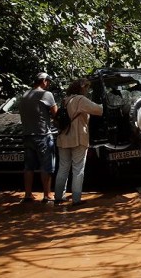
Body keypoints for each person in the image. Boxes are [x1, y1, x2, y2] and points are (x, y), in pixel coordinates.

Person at [55, 78, 103, 206]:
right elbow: (98, 109)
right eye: (86, 87)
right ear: (81, 88)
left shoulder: (65, 100)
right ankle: (76, 199)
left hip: (63, 138)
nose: (87, 90)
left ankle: (58, 197)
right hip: (78, 138)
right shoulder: (80, 100)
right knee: (78, 169)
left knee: (63, 168)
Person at [20, 72, 58, 203]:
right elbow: (56, 114)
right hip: (43, 136)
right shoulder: (46, 94)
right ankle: (47, 195)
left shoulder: (25, 95)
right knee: (46, 166)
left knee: (29, 167)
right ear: (43, 81)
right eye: (48, 81)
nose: (48, 84)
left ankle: (27, 195)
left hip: (27, 136)